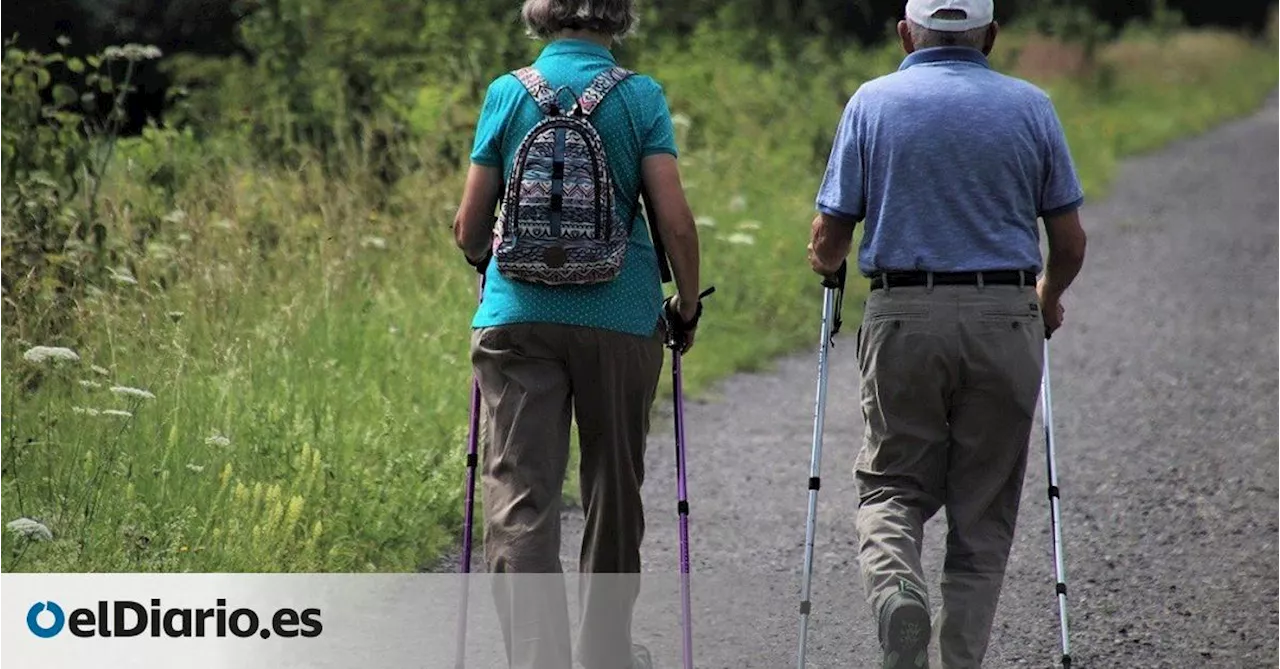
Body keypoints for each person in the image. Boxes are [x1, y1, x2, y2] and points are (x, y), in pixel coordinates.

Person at [806, 1, 1089, 667]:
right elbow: (1070, 241)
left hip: (905, 315)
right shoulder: (1032, 106)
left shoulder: (873, 102)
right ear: (990, 35)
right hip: (1005, 315)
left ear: (906, 33)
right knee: (982, 510)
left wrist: (826, 259)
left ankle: (899, 590)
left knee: (892, 486)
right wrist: (1047, 298)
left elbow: (829, 237)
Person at [452, 1, 704, 667]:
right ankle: (606, 653)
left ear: (541, 14)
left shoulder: (508, 93)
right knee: (612, 489)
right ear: (618, 17)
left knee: (520, 495)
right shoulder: (639, 97)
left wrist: (487, 262)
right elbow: (674, 219)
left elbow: (469, 226)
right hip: (620, 317)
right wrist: (683, 303)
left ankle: (537, 658)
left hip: (519, 319)